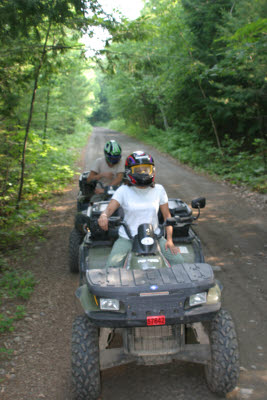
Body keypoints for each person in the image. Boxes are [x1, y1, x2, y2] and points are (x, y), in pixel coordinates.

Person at [98, 150, 184, 267]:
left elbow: (167, 216)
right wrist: (103, 216)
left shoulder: (159, 189)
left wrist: (169, 240)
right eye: (138, 170)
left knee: (179, 262)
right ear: (129, 172)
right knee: (111, 266)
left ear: (152, 170)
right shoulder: (123, 190)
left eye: (146, 169)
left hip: (155, 236)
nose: (143, 172)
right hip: (128, 238)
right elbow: (108, 210)